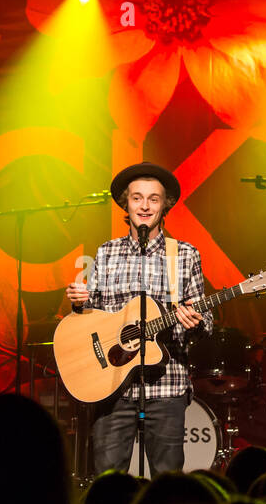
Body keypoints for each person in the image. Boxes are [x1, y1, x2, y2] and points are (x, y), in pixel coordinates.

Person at [65, 162, 213, 475]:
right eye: (137, 198)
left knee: (167, 484)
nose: (144, 206)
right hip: (111, 385)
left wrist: (194, 322)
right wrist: (80, 305)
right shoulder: (106, 253)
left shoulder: (184, 255)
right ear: (126, 203)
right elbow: (93, 318)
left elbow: (207, 322)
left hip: (165, 387)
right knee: (107, 481)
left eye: (153, 199)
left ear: (165, 205)